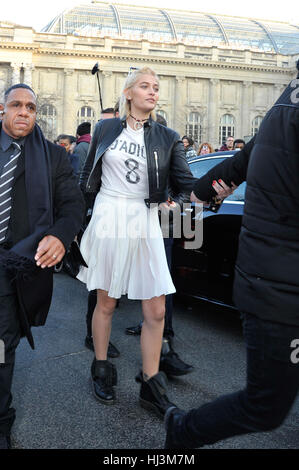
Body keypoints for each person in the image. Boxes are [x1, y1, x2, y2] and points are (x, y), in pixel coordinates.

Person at [164, 61, 299, 448]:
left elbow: (242, 161)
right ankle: (184, 431)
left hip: (271, 276)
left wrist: (203, 191)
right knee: (266, 405)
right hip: (281, 285)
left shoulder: (286, 99)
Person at [77, 66, 196, 417]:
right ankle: (101, 368)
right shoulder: (105, 128)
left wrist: (186, 199)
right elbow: (88, 177)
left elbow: (184, 183)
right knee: (107, 302)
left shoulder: (168, 136)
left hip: (145, 218)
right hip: (109, 213)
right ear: (128, 93)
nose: (152, 91)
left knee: (156, 308)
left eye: (156, 87)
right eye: (144, 86)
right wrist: (74, 223)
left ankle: (151, 381)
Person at [0, 83, 85, 449]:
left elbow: (72, 207)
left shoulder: (53, 157)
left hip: (16, 265)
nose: (24, 112)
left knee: (1, 346)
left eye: (31, 107)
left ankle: (1, 421)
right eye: (16, 105)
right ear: (2, 109)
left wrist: (60, 236)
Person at [125, 113, 194, 377]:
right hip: (129, 221)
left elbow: (184, 187)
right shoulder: (131, 147)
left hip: (161, 223)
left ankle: (164, 345)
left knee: (160, 284)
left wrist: (171, 205)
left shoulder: (170, 147)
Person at [81, 106, 121, 359]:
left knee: (109, 288)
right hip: (98, 215)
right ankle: (93, 335)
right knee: (98, 285)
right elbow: (86, 178)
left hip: (118, 219)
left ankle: (99, 333)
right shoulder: (98, 143)